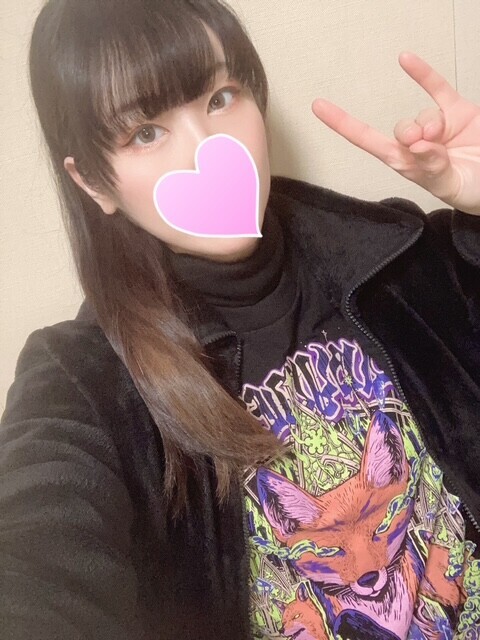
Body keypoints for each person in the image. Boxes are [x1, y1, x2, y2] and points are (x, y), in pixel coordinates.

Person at [1, 0, 479, 638]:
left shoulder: (401, 262)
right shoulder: (83, 385)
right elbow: (40, 559)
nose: (209, 151)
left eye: (220, 98)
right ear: (94, 182)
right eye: (145, 133)